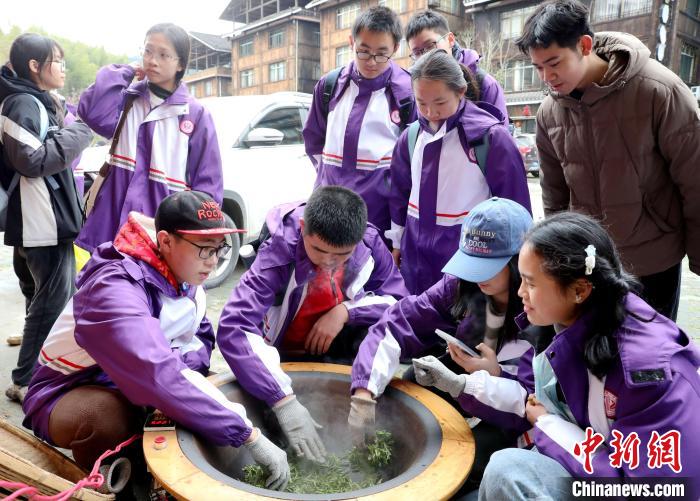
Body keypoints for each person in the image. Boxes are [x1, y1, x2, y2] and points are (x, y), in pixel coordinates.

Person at [22, 191, 290, 492]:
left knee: (216, 393)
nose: (214, 262)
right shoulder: (114, 286)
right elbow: (154, 368)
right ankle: (111, 487)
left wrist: (181, 375)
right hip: (67, 391)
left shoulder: (186, 276)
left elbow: (200, 340)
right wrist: (248, 435)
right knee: (109, 418)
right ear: (165, 241)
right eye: (205, 249)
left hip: (137, 382)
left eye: (219, 249)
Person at [477, 212, 700, 501]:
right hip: (606, 469)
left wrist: (547, 424)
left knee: (508, 469)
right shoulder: (563, 324)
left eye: (530, 283)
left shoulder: (645, 372)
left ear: (579, 290)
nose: (520, 292)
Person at [516, 0, 700, 320]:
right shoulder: (549, 112)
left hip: (653, 260)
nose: (547, 76)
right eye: (538, 67)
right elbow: (554, 193)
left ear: (584, 46)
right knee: (591, 347)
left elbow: (694, 180)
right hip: (588, 265)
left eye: (554, 63)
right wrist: (557, 259)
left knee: (650, 348)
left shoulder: (659, 90)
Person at [349, 197, 547, 494]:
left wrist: (492, 374)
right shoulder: (459, 284)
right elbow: (397, 323)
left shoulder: (542, 306)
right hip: (471, 378)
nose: (476, 275)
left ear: (519, 261)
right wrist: (364, 393)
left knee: (471, 460)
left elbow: (534, 399)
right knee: (411, 383)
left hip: (513, 409)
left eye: (488, 266)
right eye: (471, 263)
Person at [217, 186, 408, 463]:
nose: (328, 262)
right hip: (281, 354)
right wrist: (283, 401)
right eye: (318, 250)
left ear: (357, 241)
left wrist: (345, 312)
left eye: (341, 255)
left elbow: (399, 304)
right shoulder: (279, 249)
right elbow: (235, 326)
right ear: (303, 227)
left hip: (336, 347)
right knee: (276, 420)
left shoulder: (368, 244)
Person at [388, 49, 530, 295]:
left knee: (464, 312)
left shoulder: (490, 138)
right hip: (416, 252)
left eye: (440, 103)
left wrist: (514, 263)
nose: (430, 112)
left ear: (461, 91)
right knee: (418, 311)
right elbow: (399, 194)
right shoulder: (411, 137)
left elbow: (516, 209)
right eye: (422, 103)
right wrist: (397, 242)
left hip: (471, 254)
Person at [75, 22, 223, 254]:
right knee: (105, 275)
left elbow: (208, 188)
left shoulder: (194, 114)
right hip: (111, 224)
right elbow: (91, 112)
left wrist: (189, 239)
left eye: (164, 55)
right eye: (148, 51)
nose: (153, 60)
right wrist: (125, 72)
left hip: (158, 231)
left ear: (180, 64)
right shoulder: (128, 99)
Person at [0, 33, 93, 402]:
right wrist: (80, 133)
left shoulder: (34, 99)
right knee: (50, 303)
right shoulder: (21, 102)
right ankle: (25, 380)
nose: (63, 68)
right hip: (41, 222)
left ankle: (37, 366)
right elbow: (31, 160)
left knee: (39, 298)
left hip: (38, 219)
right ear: (35, 66)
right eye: (58, 61)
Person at [303, 6, 415, 242]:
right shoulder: (330, 85)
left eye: (381, 54)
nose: (371, 62)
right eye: (363, 52)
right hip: (329, 211)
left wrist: (398, 231)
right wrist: (326, 178)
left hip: (379, 217)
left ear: (396, 48)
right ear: (351, 42)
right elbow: (314, 140)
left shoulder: (408, 93)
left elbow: (413, 164)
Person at [405, 10, 508, 120]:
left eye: (430, 46)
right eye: (417, 52)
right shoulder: (413, 86)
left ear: (450, 39)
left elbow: (499, 129)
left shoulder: (484, 84)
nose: (425, 56)